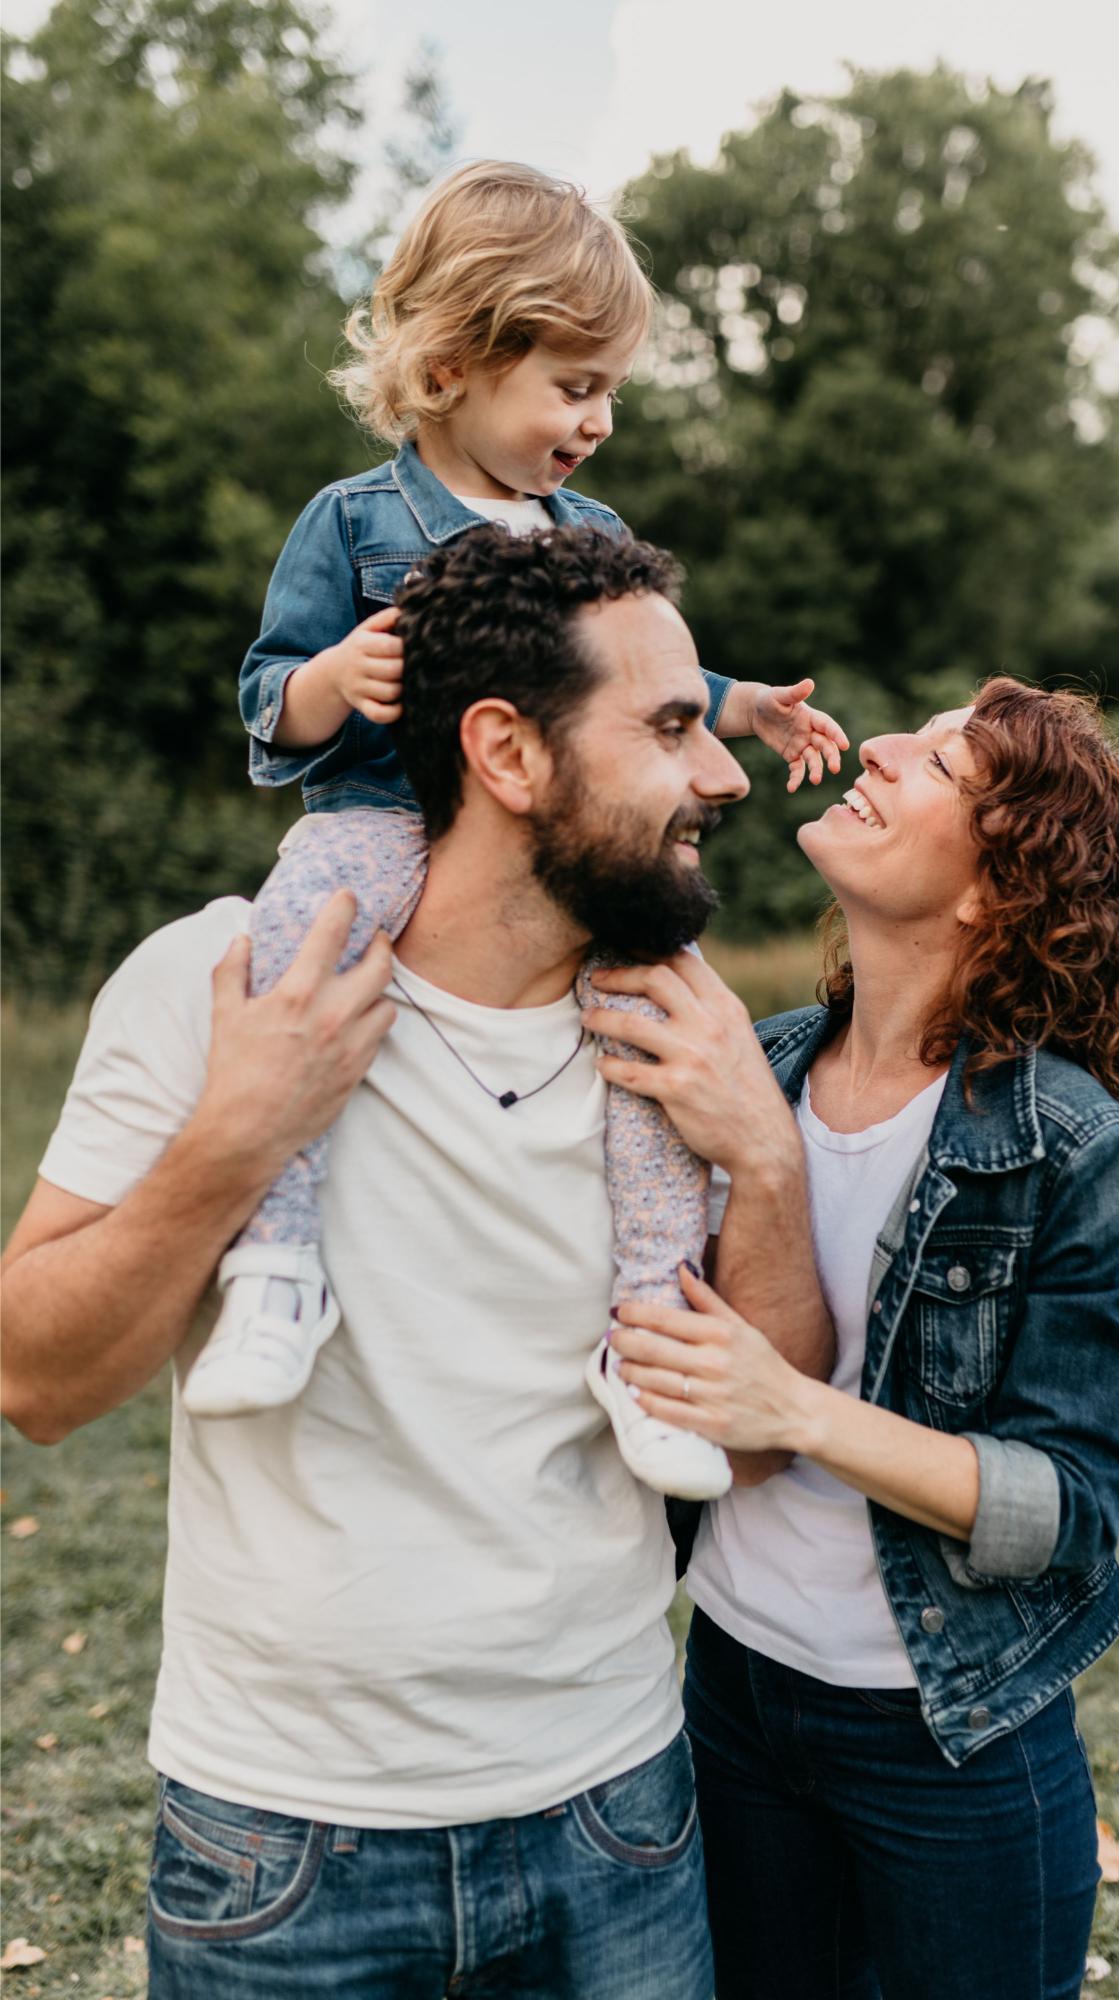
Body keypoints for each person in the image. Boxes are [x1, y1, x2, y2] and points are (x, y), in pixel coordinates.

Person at [0, 524, 833, 1999]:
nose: (723, 775)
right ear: (506, 752)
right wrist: (240, 1135)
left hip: (615, 1810)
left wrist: (763, 1160)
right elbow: (36, 1381)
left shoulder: (686, 1043)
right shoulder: (222, 983)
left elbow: (761, 1443)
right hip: (281, 1838)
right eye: (669, 727)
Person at [197, 157, 848, 1510]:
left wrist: (743, 709)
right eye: (572, 386)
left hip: (558, 852)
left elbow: (648, 677)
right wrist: (334, 681)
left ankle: (647, 1317)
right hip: (386, 817)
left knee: (655, 1032)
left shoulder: (586, 529)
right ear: (450, 366)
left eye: (609, 391)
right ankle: (278, 1261)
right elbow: (268, 699)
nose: (597, 421)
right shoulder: (353, 524)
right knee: (296, 949)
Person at [593, 679, 1119, 2000]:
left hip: (949, 1739)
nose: (870, 747)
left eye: (934, 763)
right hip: (729, 1694)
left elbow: (1065, 1509)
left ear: (992, 889)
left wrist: (797, 1410)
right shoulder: (753, 1067)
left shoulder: (1075, 1153)